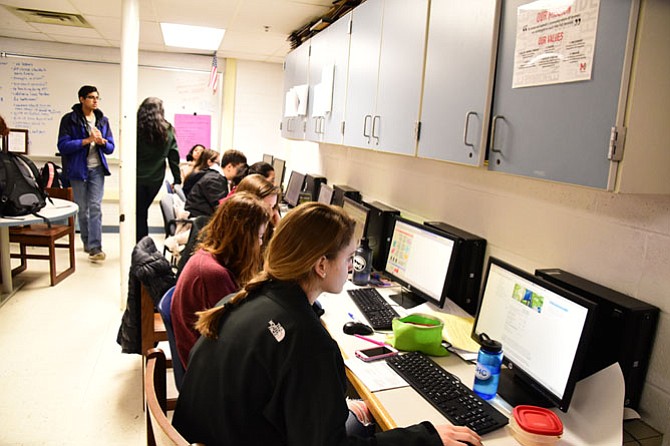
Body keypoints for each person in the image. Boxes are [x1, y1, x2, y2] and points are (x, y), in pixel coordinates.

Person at [172, 202, 482, 446]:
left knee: (354, 417)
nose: (351, 267)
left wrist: (330, 408)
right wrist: (426, 438)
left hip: (213, 435)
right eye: (348, 258)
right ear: (321, 265)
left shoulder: (243, 299)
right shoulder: (306, 340)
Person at [171, 192, 270, 367]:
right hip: (205, 370)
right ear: (244, 237)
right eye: (260, 237)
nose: (261, 244)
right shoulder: (214, 274)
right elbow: (239, 334)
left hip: (204, 357)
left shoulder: (209, 257)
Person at [57, 85, 115, 262]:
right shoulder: (70, 120)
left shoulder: (103, 121)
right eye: (91, 97)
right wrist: (87, 140)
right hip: (77, 170)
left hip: (97, 169)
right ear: (81, 99)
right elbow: (63, 146)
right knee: (83, 209)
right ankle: (87, 242)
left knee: (95, 206)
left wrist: (102, 143)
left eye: (97, 97)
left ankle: (96, 248)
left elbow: (111, 148)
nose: (95, 100)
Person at [136, 97, 182, 242]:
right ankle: (143, 243)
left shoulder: (135, 128)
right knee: (143, 210)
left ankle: (140, 243)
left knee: (139, 212)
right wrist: (177, 179)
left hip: (135, 177)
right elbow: (174, 156)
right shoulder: (168, 130)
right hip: (155, 178)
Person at [232, 174, 280, 244]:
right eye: (266, 207)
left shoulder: (266, 229)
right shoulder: (236, 237)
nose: (271, 213)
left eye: (272, 207)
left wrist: (277, 229)